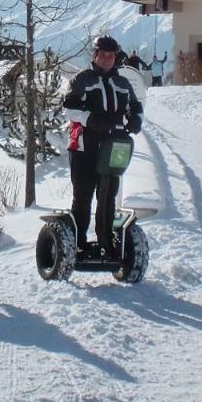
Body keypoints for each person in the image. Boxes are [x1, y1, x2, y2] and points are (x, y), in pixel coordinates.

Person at [62, 35, 144, 250]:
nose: (107, 59)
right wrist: (91, 120)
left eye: (111, 55)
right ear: (95, 55)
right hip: (84, 147)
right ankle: (77, 245)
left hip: (113, 147)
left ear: (116, 57)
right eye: (103, 54)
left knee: (108, 196)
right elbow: (69, 108)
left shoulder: (123, 83)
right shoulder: (82, 79)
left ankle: (107, 243)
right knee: (83, 197)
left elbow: (135, 107)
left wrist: (135, 120)